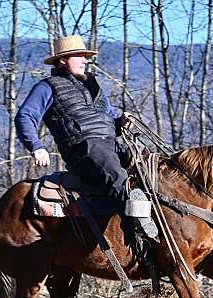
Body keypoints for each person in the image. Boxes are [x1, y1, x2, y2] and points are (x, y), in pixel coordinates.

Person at [15, 35, 157, 238]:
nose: (85, 60)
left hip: (111, 142)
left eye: (85, 56)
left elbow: (107, 119)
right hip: (83, 148)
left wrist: (120, 123)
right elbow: (25, 115)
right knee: (118, 178)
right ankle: (141, 236)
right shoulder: (47, 86)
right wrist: (36, 146)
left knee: (151, 165)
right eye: (79, 55)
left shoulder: (93, 87)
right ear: (63, 60)